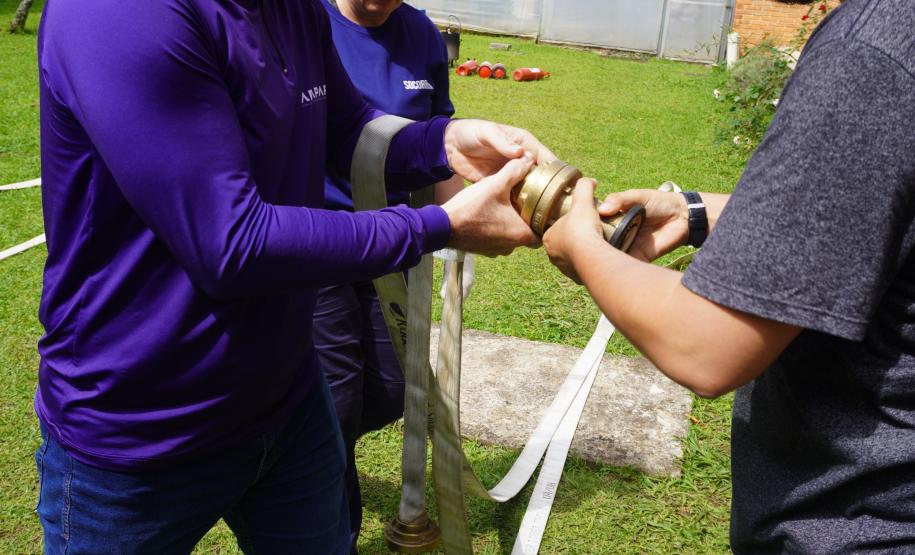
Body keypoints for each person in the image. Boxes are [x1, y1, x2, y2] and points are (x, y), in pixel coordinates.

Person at [33, 0, 553, 552]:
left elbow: (349, 130)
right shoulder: (119, 13)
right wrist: (437, 226)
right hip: (142, 429)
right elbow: (233, 245)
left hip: (286, 400)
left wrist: (444, 142)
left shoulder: (294, 8)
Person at [543, 0, 915, 551]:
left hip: (860, 525)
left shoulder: (873, 49)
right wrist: (697, 213)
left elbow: (705, 345)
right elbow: (864, 207)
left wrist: (585, 248)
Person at [313, 0, 470, 550]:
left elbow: (437, 140)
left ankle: (315, 457)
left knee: (389, 389)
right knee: (334, 405)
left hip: (396, 243)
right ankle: (337, 527)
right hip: (319, 243)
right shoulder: (309, 23)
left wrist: (465, 218)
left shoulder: (422, 35)